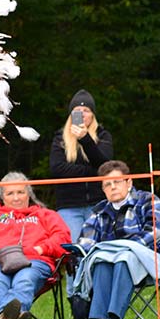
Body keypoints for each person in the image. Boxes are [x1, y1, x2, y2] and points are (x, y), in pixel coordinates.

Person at [0, 172, 70, 319]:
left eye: (21, 192)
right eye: (10, 193)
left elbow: (63, 239)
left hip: (34, 260)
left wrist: (40, 249)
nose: (16, 198)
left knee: (25, 279)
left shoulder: (46, 215)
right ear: (2, 197)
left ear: (29, 194)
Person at [70, 160, 160, 319]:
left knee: (124, 258)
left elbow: (157, 232)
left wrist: (128, 246)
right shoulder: (99, 210)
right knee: (101, 260)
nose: (112, 187)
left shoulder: (148, 200)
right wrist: (82, 249)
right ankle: (100, 318)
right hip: (110, 260)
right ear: (103, 189)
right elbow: (86, 240)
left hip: (150, 261)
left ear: (129, 182)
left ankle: (114, 318)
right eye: (107, 185)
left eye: (117, 182)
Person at [49, 89, 113, 242]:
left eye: (86, 110)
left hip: (98, 203)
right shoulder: (60, 138)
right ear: (71, 115)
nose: (82, 114)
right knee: (76, 248)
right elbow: (56, 169)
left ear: (93, 115)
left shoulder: (103, 136)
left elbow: (105, 166)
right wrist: (91, 171)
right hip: (69, 205)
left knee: (100, 245)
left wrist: (85, 140)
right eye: (77, 111)